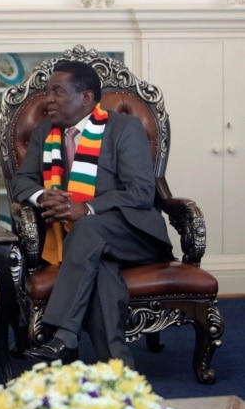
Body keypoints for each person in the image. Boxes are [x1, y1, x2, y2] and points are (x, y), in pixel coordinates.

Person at [10, 61, 173, 369]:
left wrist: (86, 208)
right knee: (102, 273)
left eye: (57, 91)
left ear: (86, 97)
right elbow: (22, 180)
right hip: (84, 246)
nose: (48, 99)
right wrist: (44, 195)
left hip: (134, 235)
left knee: (88, 229)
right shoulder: (46, 130)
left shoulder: (124, 128)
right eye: (47, 92)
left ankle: (62, 331)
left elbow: (140, 191)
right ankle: (118, 371)